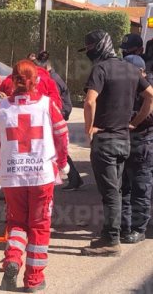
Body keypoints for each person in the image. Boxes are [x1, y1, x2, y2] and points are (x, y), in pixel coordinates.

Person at [0, 60, 69, 292]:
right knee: (39, 226)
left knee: (17, 223)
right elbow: (62, 136)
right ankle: (33, 280)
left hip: (11, 177)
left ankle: (13, 259)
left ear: (11, 80)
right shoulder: (46, 104)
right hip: (41, 177)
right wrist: (62, 164)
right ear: (37, 81)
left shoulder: (1, 107)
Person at [79, 30, 153, 257]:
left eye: (90, 48)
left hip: (106, 142)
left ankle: (111, 240)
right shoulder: (131, 69)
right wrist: (135, 121)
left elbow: (90, 101)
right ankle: (108, 234)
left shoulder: (100, 70)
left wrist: (89, 129)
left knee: (111, 193)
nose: (89, 53)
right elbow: (150, 95)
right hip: (124, 141)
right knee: (117, 190)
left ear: (99, 47)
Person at [34, 50, 84, 191]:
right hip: (59, 112)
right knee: (57, 148)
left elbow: (54, 101)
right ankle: (75, 178)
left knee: (57, 148)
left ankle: (73, 178)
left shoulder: (52, 79)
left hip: (58, 113)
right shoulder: (53, 76)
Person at [121, 55, 153, 244]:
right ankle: (125, 226)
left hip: (143, 143)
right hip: (126, 142)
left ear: (141, 72)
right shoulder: (127, 86)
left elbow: (149, 115)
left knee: (141, 187)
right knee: (123, 186)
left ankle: (138, 228)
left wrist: (129, 120)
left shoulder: (147, 88)